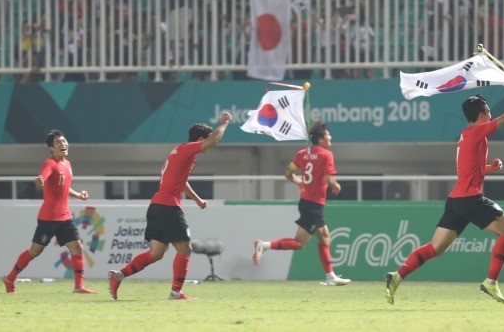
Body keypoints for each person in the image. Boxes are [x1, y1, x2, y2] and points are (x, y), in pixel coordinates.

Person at [384, 87, 504, 305]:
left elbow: (468, 171)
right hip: (470, 199)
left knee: (435, 248)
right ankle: (491, 282)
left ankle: (396, 277)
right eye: (488, 109)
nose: (491, 112)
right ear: (482, 114)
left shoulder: (465, 135)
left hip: (456, 200)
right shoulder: (478, 131)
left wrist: (489, 168)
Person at [108, 112, 232, 301]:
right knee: (185, 248)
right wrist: (224, 123)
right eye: (203, 142)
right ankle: (176, 293)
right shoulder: (187, 150)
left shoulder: (180, 152)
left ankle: (118, 275)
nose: (207, 146)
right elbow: (214, 140)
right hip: (168, 206)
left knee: (156, 253)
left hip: (157, 205)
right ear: (199, 140)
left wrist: (197, 199)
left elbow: (181, 181)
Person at [252, 121, 351, 287]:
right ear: (320, 139)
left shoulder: (301, 154)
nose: (330, 137)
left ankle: (330, 276)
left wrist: (299, 181)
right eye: (328, 134)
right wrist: (336, 186)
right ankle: (264, 245)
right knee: (299, 243)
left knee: (325, 237)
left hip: (306, 201)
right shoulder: (327, 155)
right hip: (314, 204)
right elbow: (328, 178)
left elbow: (288, 173)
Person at [2, 130, 96, 294]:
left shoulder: (67, 164)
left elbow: (64, 187)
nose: (63, 144)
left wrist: (79, 195)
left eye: (64, 141)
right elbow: (43, 176)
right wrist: (41, 180)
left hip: (65, 217)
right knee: (35, 251)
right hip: (48, 218)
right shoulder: (50, 163)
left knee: (77, 247)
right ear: (51, 148)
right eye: (58, 142)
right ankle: (9, 278)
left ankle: (78, 286)